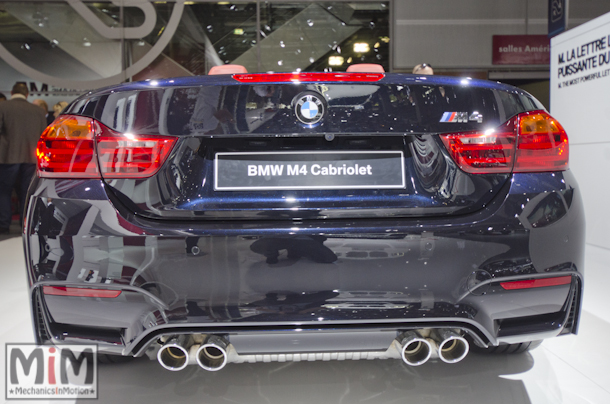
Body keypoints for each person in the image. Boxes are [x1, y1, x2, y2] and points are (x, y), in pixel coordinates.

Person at [0, 82, 47, 233]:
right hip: (31, 158)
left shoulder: (3, 107)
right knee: (27, 192)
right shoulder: (38, 111)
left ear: (12, 92)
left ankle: (3, 224)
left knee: (4, 191)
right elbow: (43, 136)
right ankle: (25, 223)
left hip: (8, 156)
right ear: (27, 94)